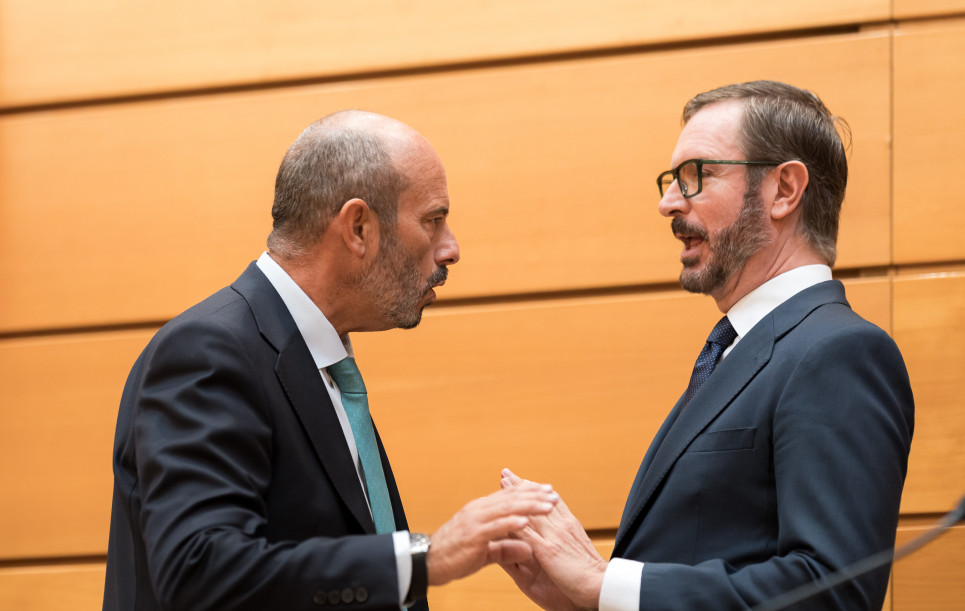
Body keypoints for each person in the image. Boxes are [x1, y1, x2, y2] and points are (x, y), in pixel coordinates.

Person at [103, 110, 559, 611]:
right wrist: (428, 559)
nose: (450, 250)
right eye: (433, 220)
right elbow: (199, 572)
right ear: (358, 227)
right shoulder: (208, 352)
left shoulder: (321, 360)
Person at [500, 81, 915, 610]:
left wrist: (603, 584)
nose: (667, 202)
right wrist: (587, 602)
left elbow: (833, 593)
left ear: (784, 190)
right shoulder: (737, 350)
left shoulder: (838, 352)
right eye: (672, 179)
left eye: (696, 175)